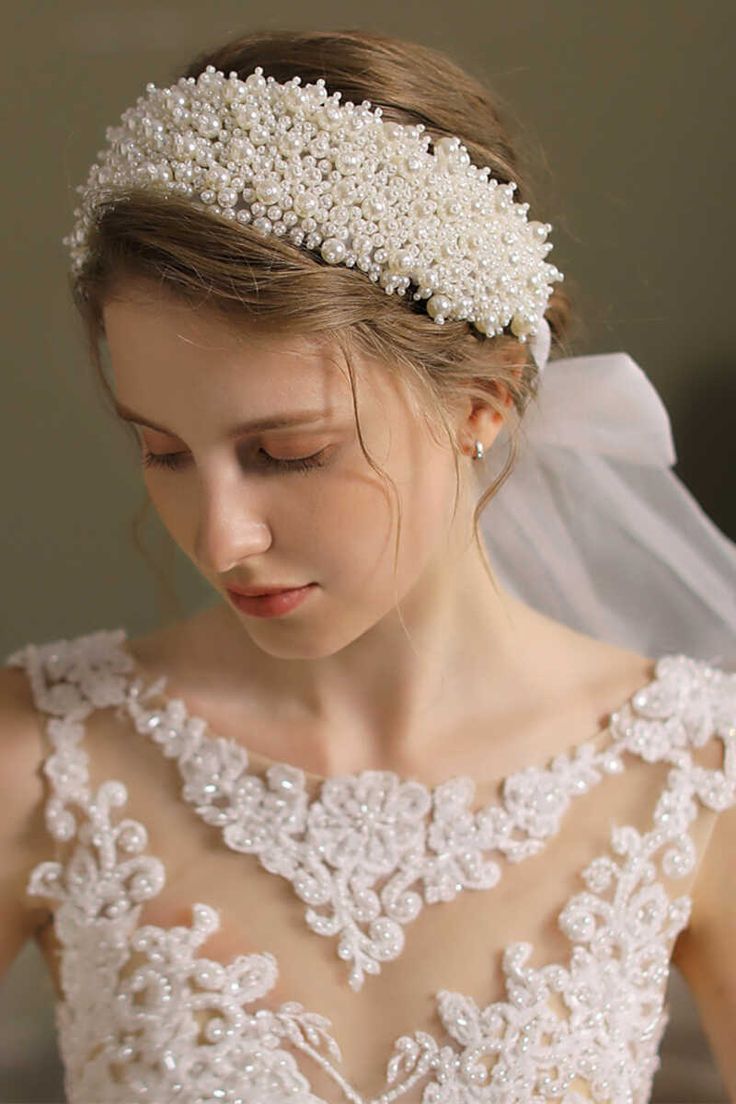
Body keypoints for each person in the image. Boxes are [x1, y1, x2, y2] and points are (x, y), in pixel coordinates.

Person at [1, 27, 734, 1104]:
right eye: (162, 451)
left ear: (479, 404)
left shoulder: (693, 776)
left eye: (287, 453)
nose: (218, 537)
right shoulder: (37, 758)